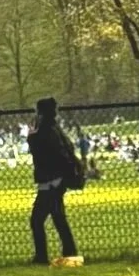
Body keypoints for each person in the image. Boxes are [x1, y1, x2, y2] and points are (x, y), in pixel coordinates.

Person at [27, 94, 84, 266]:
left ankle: (42, 256)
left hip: (50, 182)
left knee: (37, 220)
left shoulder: (43, 132)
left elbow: (43, 153)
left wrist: (31, 137)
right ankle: (69, 251)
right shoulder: (56, 130)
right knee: (58, 217)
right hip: (56, 181)